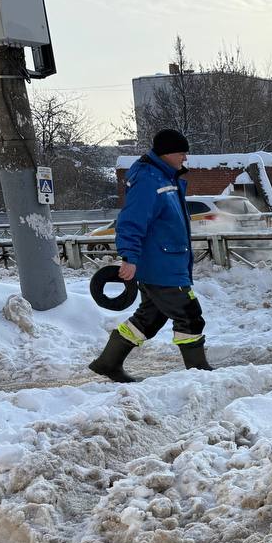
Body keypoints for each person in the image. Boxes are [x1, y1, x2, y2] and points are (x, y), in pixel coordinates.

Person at [88, 128, 213, 382]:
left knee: (150, 318)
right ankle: (200, 375)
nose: (185, 159)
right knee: (189, 315)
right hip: (161, 265)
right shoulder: (149, 179)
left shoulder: (166, 177)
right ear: (167, 153)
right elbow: (131, 221)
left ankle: (108, 362)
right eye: (181, 153)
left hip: (168, 261)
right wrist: (129, 257)